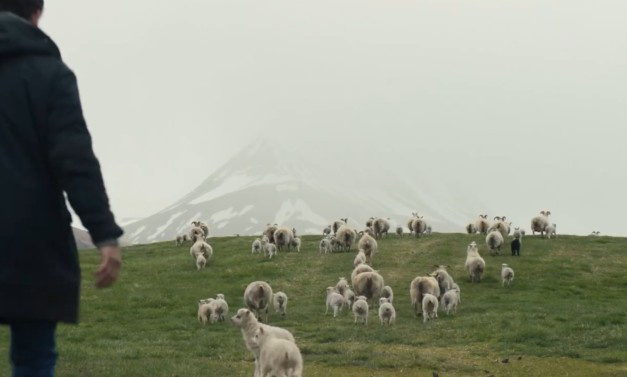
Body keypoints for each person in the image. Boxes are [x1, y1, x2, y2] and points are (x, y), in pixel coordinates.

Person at [0, 1, 124, 375]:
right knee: (34, 355)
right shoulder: (50, 74)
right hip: (32, 240)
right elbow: (75, 161)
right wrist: (104, 234)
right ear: (37, 13)